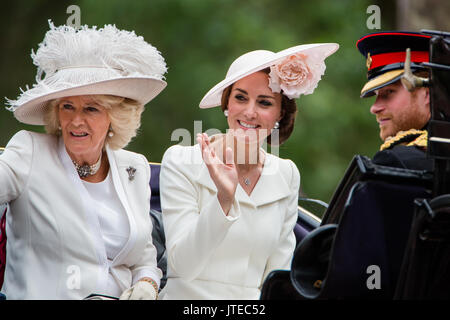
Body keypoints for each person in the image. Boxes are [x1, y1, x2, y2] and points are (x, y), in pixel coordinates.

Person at [0, 22, 167, 300]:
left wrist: (147, 285)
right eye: (68, 107)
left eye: (91, 108)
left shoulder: (134, 167)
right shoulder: (30, 151)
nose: (77, 120)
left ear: (114, 117)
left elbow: (145, 260)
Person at [159, 43, 339, 299]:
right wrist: (223, 199)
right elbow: (183, 267)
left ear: (280, 114)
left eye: (264, 102)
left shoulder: (286, 173)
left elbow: (278, 276)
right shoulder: (181, 161)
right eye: (240, 98)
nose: (250, 112)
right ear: (226, 105)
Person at [356, 31, 433, 171]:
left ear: (427, 95)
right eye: (377, 95)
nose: (374, 108)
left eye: (389, 92)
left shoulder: (395, 161)